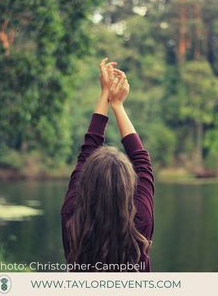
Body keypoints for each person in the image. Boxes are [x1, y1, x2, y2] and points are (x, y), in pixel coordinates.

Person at [61, 58, 155, 272]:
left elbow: (87, 151)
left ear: (86, 181)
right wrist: (117, 104)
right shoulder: (140, 222)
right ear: (128, 184)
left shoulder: (72, 219)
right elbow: (142, 162)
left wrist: (105, 95)